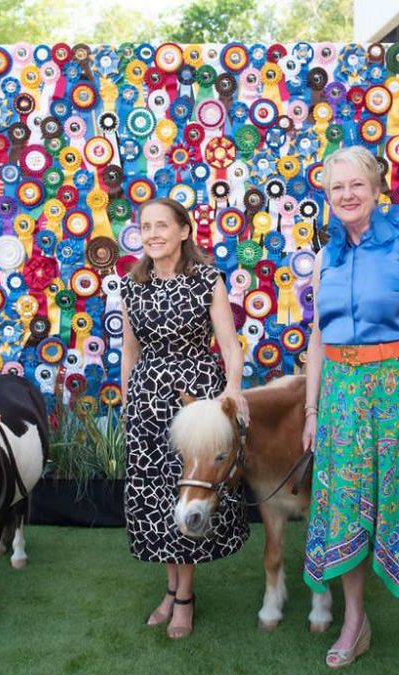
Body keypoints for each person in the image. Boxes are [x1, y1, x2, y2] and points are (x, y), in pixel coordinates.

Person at [301, 146, 399, 675]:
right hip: (339, 397)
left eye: (356, 185)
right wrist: (313, 409)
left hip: (396, 394)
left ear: (377, 187)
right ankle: (355, 622)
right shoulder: (325, 256)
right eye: (336, 187)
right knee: (344, 511)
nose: (346, 195)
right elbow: (317, 336)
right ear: (328, 194)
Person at [120, 197, 249, 639]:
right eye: (146, 227)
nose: (153, 234)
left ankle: (185, 597)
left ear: (184, 231)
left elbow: (230, 346)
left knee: (188, 493)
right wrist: (126, 403)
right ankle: (171, 588)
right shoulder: (131, 286)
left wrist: (232, 388)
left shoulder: (206, 279)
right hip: (146, 402)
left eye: (162, 226)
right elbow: (130, 352)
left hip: (194, 399)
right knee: (156, 500)